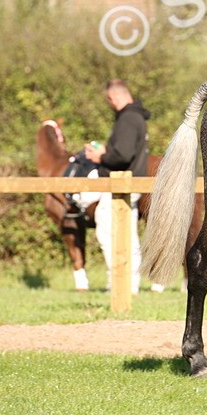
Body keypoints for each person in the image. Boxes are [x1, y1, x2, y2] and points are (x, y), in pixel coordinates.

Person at [76, 79, 151, 293]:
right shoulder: (136, 117)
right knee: (128, 235)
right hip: (131, 182)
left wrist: (100, 156)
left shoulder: (127, 118)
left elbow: (122, 155)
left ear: (112, 97)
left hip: (120, 184)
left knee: (108, 233)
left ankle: (117, 285)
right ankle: (130, 285)